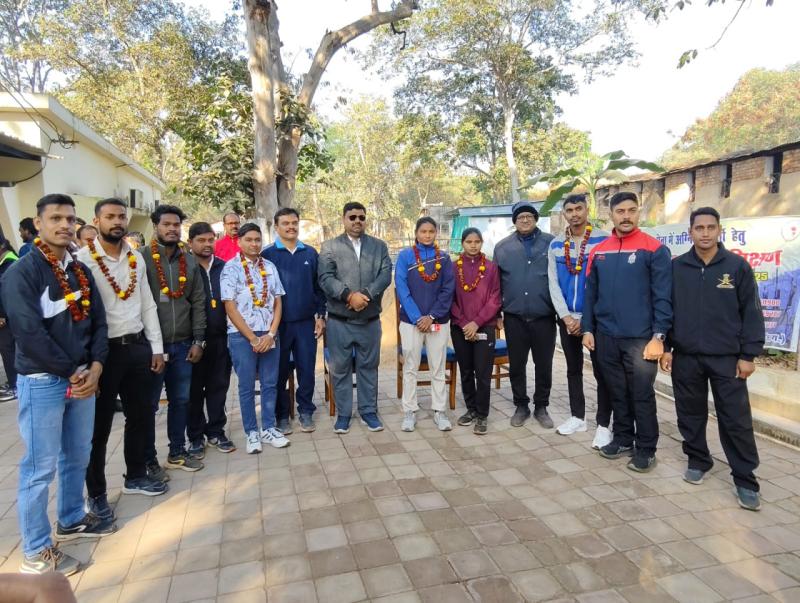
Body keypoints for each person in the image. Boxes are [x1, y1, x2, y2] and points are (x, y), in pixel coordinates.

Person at [1, 194, 112, 575]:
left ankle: (71, 517)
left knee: (77, 453)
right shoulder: (22, 273)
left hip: (82, 378)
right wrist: (74, 373)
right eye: (56, 218)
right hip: (43, 381)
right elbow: (28, 333)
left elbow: (99, 323)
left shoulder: (79, 270)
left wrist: (96, 367)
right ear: (38, 223)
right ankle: (35, 550)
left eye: (70, 219)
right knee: (39, 467)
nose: (65, 225)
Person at [660, 206, 765, 511]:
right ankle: (698, 460)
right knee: (689, 413)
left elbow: (752, 313)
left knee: (735, 419)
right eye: (699, 228)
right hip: (686, 357)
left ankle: (745, 479)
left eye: (710, 227)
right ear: (690, 232)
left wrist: (748, 355)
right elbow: (666, 309)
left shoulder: (737, 267)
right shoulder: (677, 267)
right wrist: (666, 346)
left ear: (719, 230)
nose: (705, 233)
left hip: (727, 358)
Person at [78, 198, 168, 522]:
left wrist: (156, 348)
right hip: (103, 354)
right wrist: (87, 363)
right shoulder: (82, 261)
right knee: (99, 428)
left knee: (140, 416)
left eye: (121, 216)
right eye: (110, 217)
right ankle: (96, 494)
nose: (117, 221)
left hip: (137, 347)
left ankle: (136, 476)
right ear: (97, 221)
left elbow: (147, 304)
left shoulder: (135, 258)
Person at [582, 192, 672, 473]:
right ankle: (622, 439)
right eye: (620, 211)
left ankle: (646, 448)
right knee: (617, 391)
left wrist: (659, 337)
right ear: (611, 215)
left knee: (641, 394)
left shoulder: (654, 249)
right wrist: (587, 329)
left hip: (640, 339)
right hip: (606, 336)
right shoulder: (599, 251)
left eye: (631, 210)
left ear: (638, 213)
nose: (626, 216)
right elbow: (590, 294)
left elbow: (663, 297)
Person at [142, 205, 207, 475]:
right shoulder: (141, 259)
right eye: (166, 224)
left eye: (176, 225)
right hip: (150, 348)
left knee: (181, 401)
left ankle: (177, 452)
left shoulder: (189, 261)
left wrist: (198, 340)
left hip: (183, 345)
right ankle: (147, 460)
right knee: (148, 406)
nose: (172, 229)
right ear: (155, 226)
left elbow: (199, 302)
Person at [318, 202, 392, 434]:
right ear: (343, 219)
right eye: (352, 217)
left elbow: (385, 275)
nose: (357, 221)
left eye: (361, 217)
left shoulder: (378, 246)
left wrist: (366, 295)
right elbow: (325, 277)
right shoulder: (330, 247)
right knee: (339, 369)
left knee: (368, 367)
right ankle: (343, 414)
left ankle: (368, 411)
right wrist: (349, 296)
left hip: (369, 320)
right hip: (340, 321)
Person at [547, 194, 612, 448]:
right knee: (573, 369)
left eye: (578, 208)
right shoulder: (556, 244)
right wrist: (565, 316)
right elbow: (553, 282)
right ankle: (577, 417)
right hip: (566, 319)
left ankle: (604, 425)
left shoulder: (603, 240)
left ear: (587, 209)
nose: (574, 214)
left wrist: (586, 319)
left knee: (601, 370)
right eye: (569, 210)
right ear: (564, 214)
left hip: (594, 320)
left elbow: (606, 284)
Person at [221, 223, 288, 453]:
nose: (254, 244)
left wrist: (271, 334)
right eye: (248, 239)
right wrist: (252, 338)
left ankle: (268, 428)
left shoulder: (269, 266)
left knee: (270, 383)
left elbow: (278, 302)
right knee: (247, 386)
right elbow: (230, 307)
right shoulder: (230, 268)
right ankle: (251, 432)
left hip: (268, 334)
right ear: (239, 241)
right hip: (241, 336)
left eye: (257, 239)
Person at [262, 208, 326, 434]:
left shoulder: (310, 253)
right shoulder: (268, 255)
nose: (291, 227)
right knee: (278, 372)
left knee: (306, 370)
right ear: (276, 227)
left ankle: (306, 411)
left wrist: (320, 316)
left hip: (306, 323)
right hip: (277, 326)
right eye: (286, 223)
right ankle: (281, 415)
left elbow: (319, 288)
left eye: (294, 223)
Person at [494, 201, 557, 429]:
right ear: (515, 221)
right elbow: (496, 285)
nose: (525, 220)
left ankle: (541, 406)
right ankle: (521, 405)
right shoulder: (503, 248)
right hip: (514, 318)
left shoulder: (551, 243)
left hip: (544, 317)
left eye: (529, 216)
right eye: (520, 217)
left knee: (544, 365)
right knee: (517, 365)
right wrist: (497, 314)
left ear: (536, 219)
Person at [395, 217, 456, 432]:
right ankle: (409, 411)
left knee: (437, 367)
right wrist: (417, 317)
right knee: (410, 367)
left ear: (436, 233)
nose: (427, 235)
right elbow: (401, 287)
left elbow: (448, 289)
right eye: (423, 231)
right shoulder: (405, 256)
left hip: (438, 321)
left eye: (431, 231)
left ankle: (440, 411)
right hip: (411, 322)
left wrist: (431, 316)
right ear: (416, 233)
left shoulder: (444, 258)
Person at [187, 222, 236, 456]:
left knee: (219, 386)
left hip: (220, 338)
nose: (207, 244)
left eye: (210, 240)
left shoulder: (224, 267)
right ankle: (195, 436)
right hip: (192, 341)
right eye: (201, 240)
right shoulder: (185, 268)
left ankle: (216, 431)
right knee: (194, 390)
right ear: (190, 243)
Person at [450, 228, 501, 435]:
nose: (473, 245)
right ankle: (470, 409)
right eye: (469, 241)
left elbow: (495, 298)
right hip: (460, 327)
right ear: (462, 243)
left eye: (477, 241)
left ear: (481, 243)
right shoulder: (453, 268)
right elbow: (449, 298)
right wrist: (465, 323)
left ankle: (482, 415)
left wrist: (477, 322)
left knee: (483, 373)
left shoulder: (491, 267)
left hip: (485, 326)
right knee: (466, 370)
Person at [0, 235, 18, 402]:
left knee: (8, 349)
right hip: (7, 314)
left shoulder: (10, 263)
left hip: (7, 316)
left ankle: (15, 386)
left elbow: (6, 292)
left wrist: (2, 314)